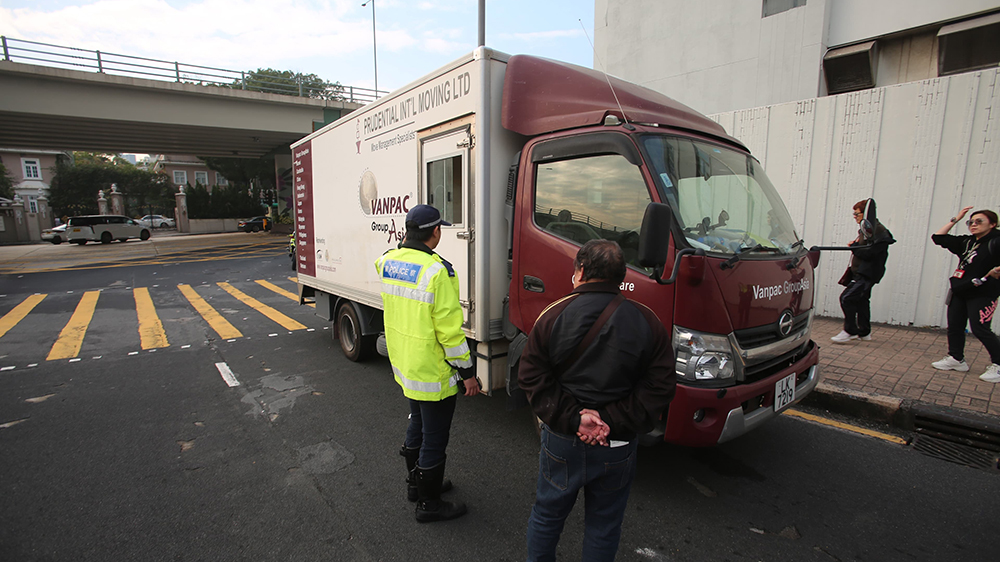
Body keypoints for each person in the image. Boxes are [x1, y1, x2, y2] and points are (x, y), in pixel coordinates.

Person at [518, 239, 676, 562]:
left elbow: (532, 377)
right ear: (620, 276)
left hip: (562, 440)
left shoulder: (552, 316)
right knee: (603, 527)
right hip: (616, 445)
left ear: (581, 271)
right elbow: (660, 387)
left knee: (548, 515)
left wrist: (576, 419)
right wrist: (611, 421)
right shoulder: (647, 321)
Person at [374, 204, 480, 523]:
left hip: (405, 363)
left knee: (418, 423)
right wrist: (468, 373)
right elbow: (449, 333)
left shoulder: (388, 261)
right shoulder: (438, 271)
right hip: (432, 371)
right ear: (436, 232)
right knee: (434, 436)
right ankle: (429, 504)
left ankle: (415, 486)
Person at [930, 206, 1000, 382]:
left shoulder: (996, 241)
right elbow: (938, 237)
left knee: (980, 328)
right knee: (955, 325)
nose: (973, 225)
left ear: (992, 224)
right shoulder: (967, 242)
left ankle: (998, 364)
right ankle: (956, 359)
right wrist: (957, 219)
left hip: (983, 291)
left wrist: (994, 271)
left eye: (979, 221)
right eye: (971, 222)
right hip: (960, 288)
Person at [831, 199, 895, 343]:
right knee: (861, 301)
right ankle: (864, 332)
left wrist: (854, 247)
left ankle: (850, 331)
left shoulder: (878, 231)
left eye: (857, 213)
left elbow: (870, 253)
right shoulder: (867, 230)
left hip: (866, 274)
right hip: (862, 272)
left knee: (847, 298)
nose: (854, 216)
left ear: (866, 214)